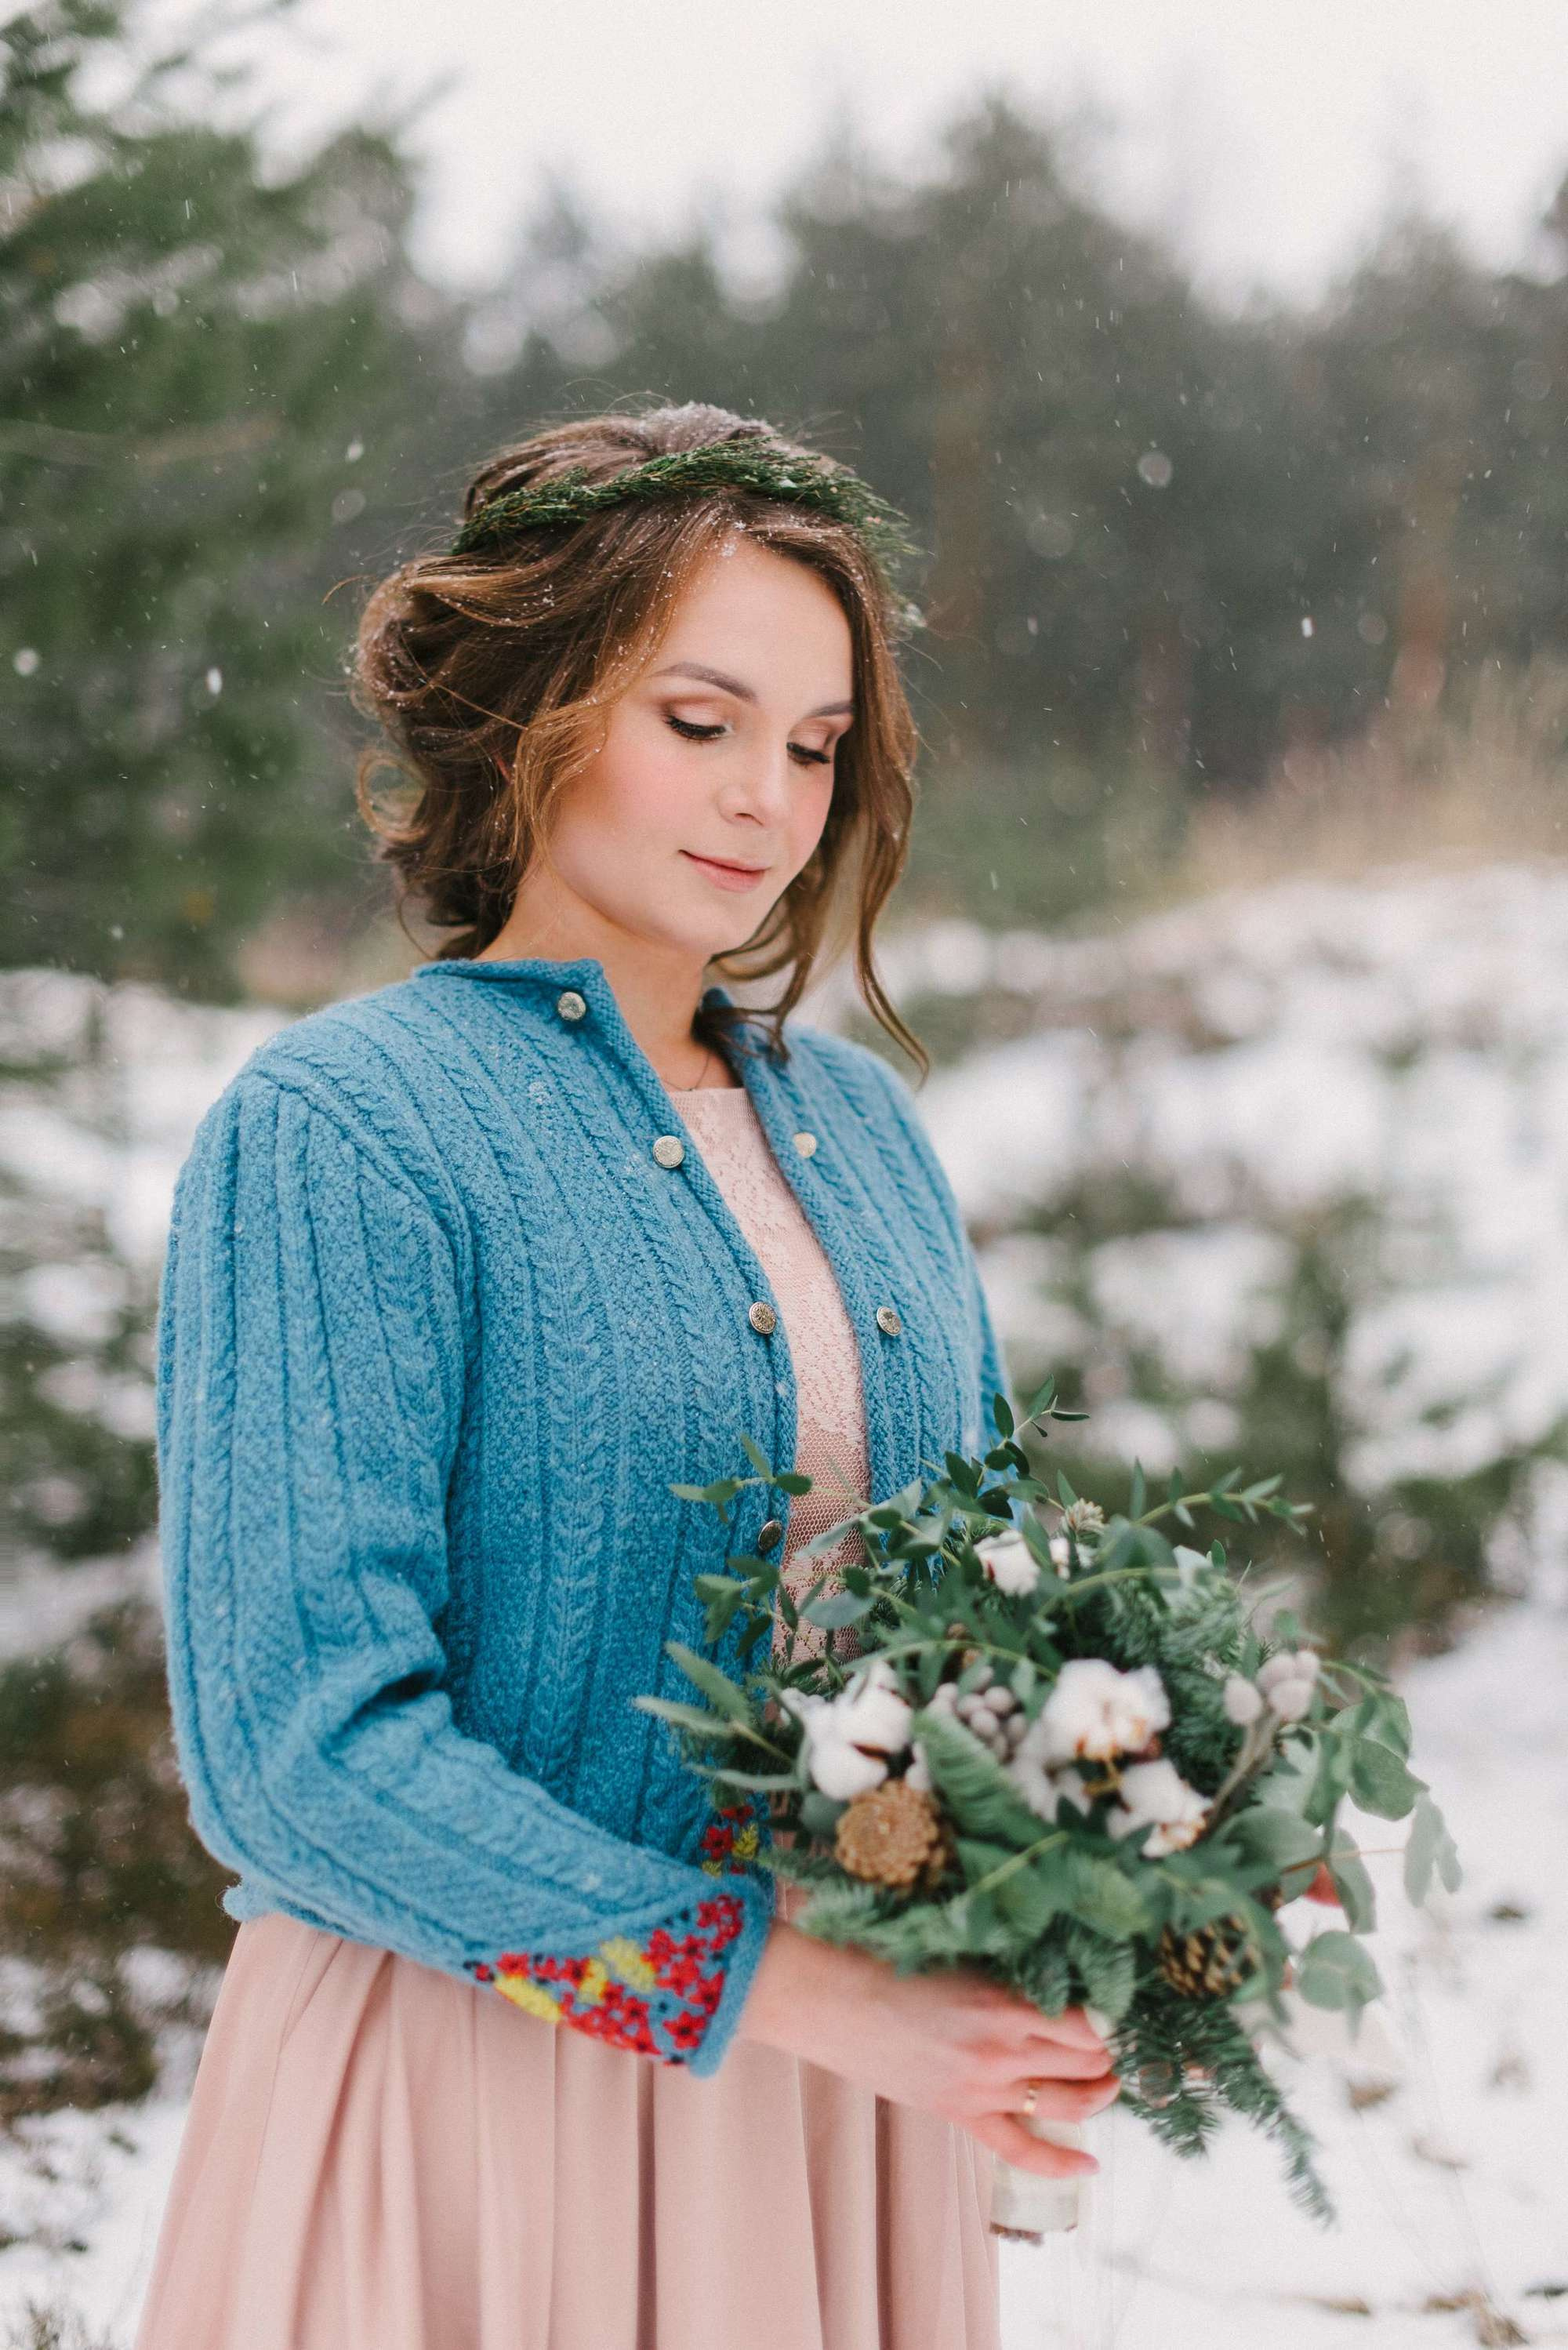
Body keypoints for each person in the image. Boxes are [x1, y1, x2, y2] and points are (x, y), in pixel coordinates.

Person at [133, 400, 1121, 2350]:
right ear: (537, 705)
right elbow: (300, 1755)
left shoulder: (861, 1127)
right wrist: (764, 1979)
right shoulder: (344, 1129)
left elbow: (986, 1614)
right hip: (476, 2105)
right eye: (702, 719)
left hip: (843, 2111)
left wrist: (1124, 1849)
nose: (767, 795)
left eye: (817, 746)